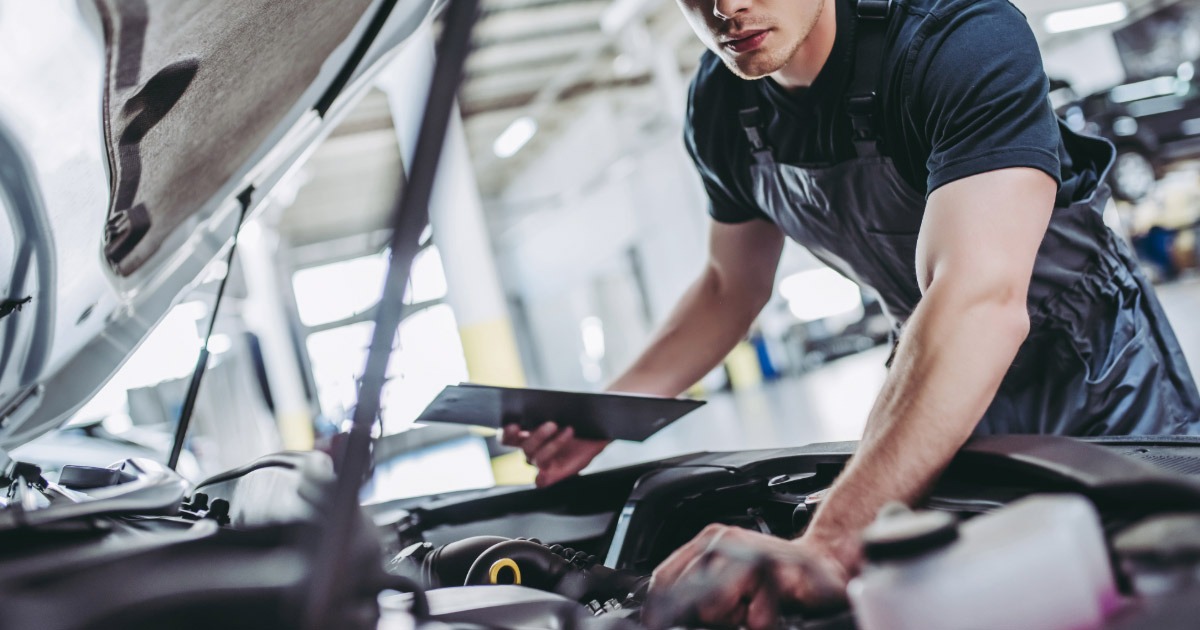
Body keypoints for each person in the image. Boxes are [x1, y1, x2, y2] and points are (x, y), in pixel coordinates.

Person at [503, 0, 1200, 624]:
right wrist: (606, 409)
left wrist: (831, 541)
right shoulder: (723, 105)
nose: (725, 7)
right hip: (934, 381)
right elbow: (729, 286)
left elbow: (978, 298)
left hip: (1100, 378)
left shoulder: (960, 40)